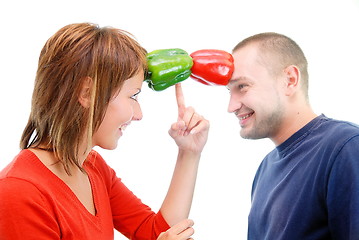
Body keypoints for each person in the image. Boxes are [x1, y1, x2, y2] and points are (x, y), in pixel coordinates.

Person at [0, 23, 209, 240]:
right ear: (87, 93)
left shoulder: (92, 167)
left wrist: (189, 153)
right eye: (133, 96)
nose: (139, 114)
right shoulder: (19, 192)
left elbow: (157, 233)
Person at [227, 32, 359, 239]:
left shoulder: (346, 148)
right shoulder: (265, 168)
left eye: (242, 87)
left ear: (290, 80)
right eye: (229, 91)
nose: (231, 106)